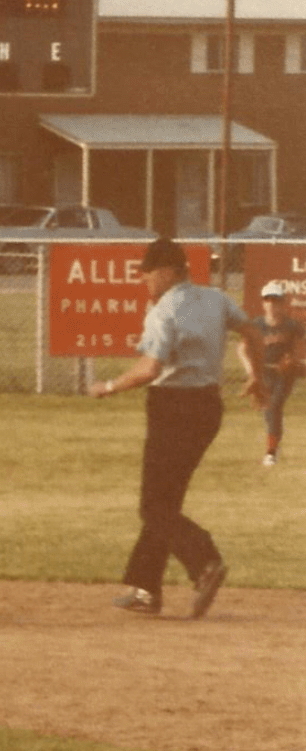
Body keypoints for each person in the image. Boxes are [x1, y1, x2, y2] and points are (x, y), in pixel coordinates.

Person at [87, 237, 265, 619]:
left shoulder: (163, 310)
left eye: (148, 273)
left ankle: (205, 561)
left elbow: (150, 369)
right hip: (207, 409)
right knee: (166, 502)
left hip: (172, 408)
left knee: (153, 506)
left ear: (169, 271)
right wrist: (258, 377)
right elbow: (251, 333)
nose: (144, 280)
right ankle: (146, 589)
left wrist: (110, 387)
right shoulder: (216, 299)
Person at [237, 280, 304, 467]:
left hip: (285, 373)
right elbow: (242, 349)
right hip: (263, 372)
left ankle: (270, 452)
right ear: (263, 303)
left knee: (273, 407)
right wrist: (251, 373)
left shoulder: (291, 325)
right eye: (268, 300)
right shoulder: (257, 324)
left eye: (276, 300)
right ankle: (275, 444)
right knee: (269, 411)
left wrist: (297, 359)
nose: (272, 305)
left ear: (283, 303)